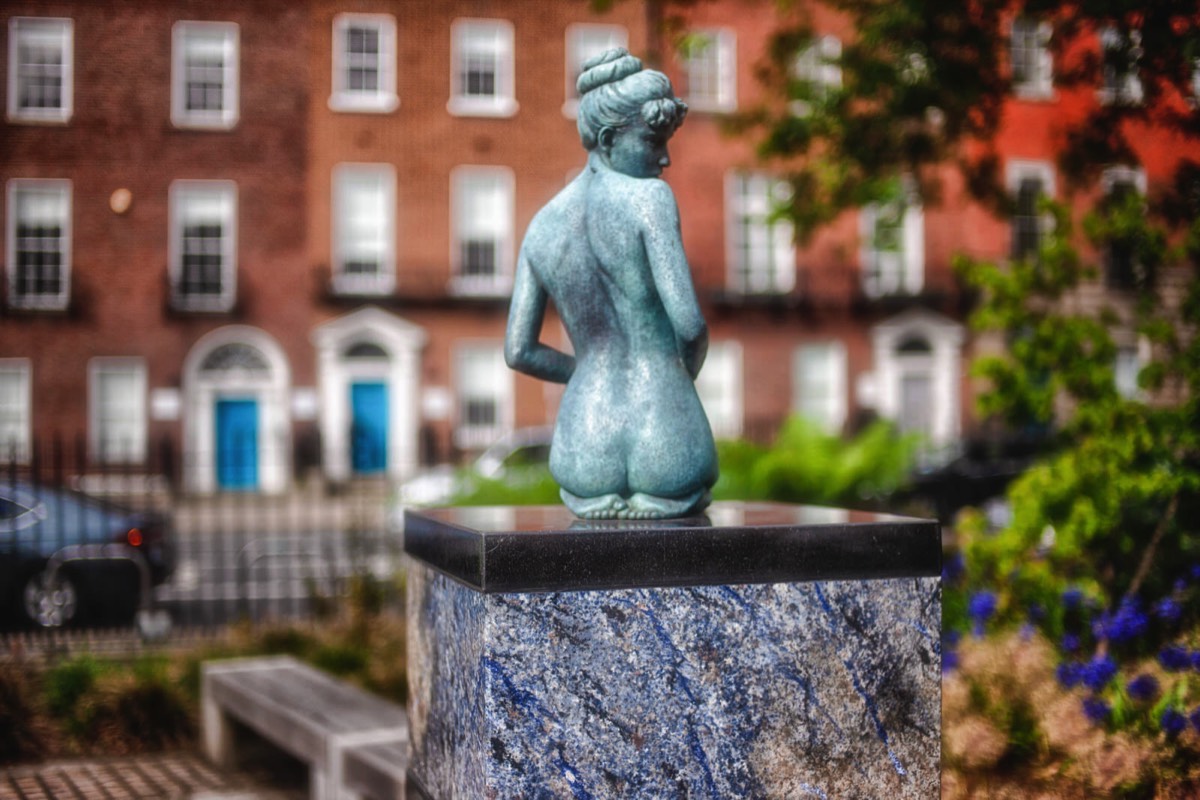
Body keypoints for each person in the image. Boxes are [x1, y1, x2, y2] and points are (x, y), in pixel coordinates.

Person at [505, 48, 717, 519]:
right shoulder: (649, 199)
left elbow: (518, 351)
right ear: (606, 139)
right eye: (652, 141)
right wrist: (677, 377)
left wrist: (583, 371)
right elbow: (690, 324)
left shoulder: (541, 225)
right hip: (666, 448)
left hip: (582, 458)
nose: (665, 159)